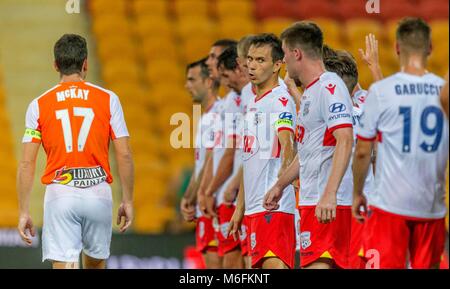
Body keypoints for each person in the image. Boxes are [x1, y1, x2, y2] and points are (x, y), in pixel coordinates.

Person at [17, 34, 134, 269]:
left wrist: (24, 211)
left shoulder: (38, 104)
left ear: (55, 65)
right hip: (98, 192)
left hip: (60, 194)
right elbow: (125, 155)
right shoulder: (109, 99)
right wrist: (128, 200)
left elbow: (27, 163)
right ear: (86, 64)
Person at [353, 17, 449, 269]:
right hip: (431, 208)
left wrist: (357, 193)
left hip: (389, 208)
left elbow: (363, 151)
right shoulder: (443, 92)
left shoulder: (381, 91)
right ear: (430, 47)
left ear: (396, 47)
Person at [264, 22, 354, 269]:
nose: (282, 61)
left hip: (327, 206)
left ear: (296, 54)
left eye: (284, 53)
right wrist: (280, 185)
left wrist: (330, 193)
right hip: (312, 203)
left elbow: (345, 139)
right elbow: (307, 153)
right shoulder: (311, 94)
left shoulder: (330, 86)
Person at [228, 34, 297, 269]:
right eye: (249, 59)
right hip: (254, 209)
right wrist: (240, 208)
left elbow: (288, 145)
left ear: (278, 65)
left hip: (273, 209)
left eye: (260, 60)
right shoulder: (255, 103)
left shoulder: (280, 100)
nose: (252, 65)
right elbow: (250, 160)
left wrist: (280, 187)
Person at [180, 58, 222, 268]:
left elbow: (210, 162)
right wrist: (189, 196)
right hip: (209, 205)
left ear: (208, 82)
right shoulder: (207, 117)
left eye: (192, 79)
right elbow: (201, 165)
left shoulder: (218, 115)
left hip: (215, 205)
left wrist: (192, 196)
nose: (187, 85)